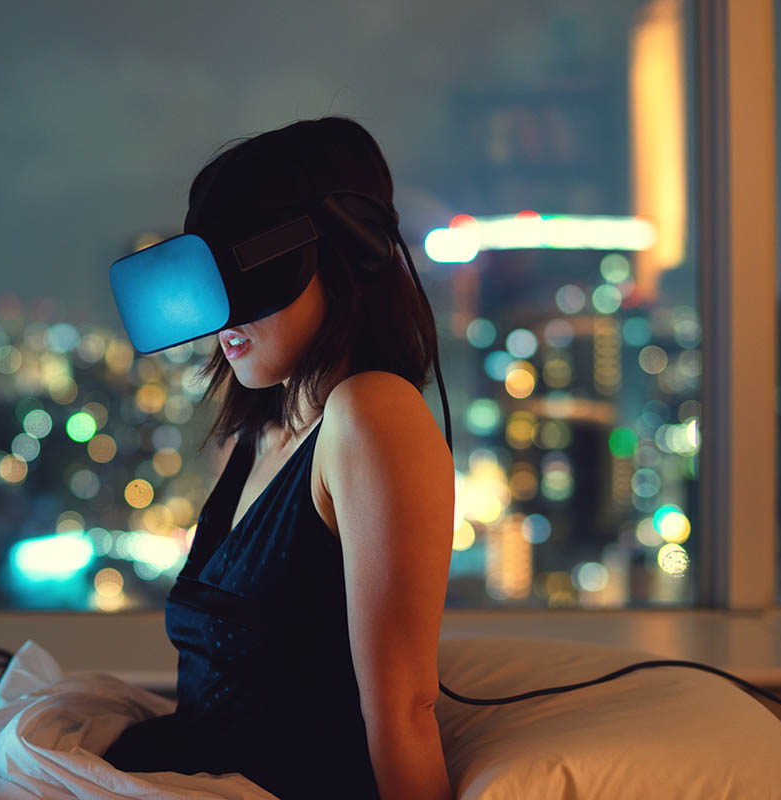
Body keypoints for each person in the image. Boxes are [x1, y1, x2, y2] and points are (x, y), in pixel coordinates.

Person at [102, 116, 455, 800]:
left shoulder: (371, 413)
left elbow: (404, 708)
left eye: (247, 271)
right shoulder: (258, 434)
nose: (219, 312)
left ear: (349, 249)